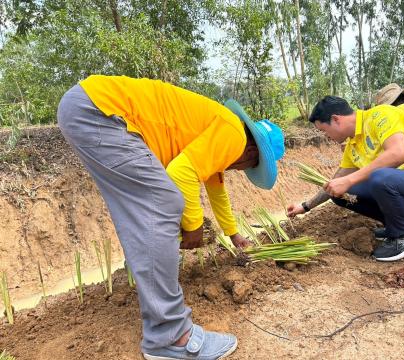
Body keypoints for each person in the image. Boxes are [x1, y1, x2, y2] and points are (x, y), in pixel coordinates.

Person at [57, 75, 285, 360]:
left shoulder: (221, 132)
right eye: (251, 165)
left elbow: (217, 192)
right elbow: (180, 174)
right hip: (101, 112)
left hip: (88, 107)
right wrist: (194, 227)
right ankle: (172, 337)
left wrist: (234, 235)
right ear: (251, 151)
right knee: (165, 200)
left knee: (143, 205)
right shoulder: (234, 136)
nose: (242, 169)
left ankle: (145, 272)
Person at [288, 96, 404, 262]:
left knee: (379, 176)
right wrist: (305, 206)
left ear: (336, 119)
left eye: (323, 130)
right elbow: (336, 182)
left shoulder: (380, 115)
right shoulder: (353, 145)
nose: (325, 136)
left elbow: (399, 153)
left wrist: (349, 180)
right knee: (339, 192)